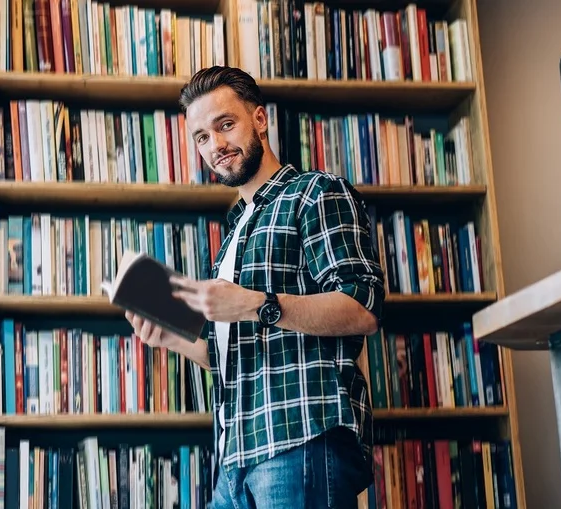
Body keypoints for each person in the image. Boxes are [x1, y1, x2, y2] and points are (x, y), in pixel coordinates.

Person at [124, 65, 385, 508]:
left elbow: (362, 309)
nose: (216, 146)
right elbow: (227, 353)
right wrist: (170, 337)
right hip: (234, 455)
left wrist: (255, 303)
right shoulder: (232, 232)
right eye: (202, 137)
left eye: (226, 125)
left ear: (259, 119)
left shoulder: (316, 193)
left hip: (300, 435)